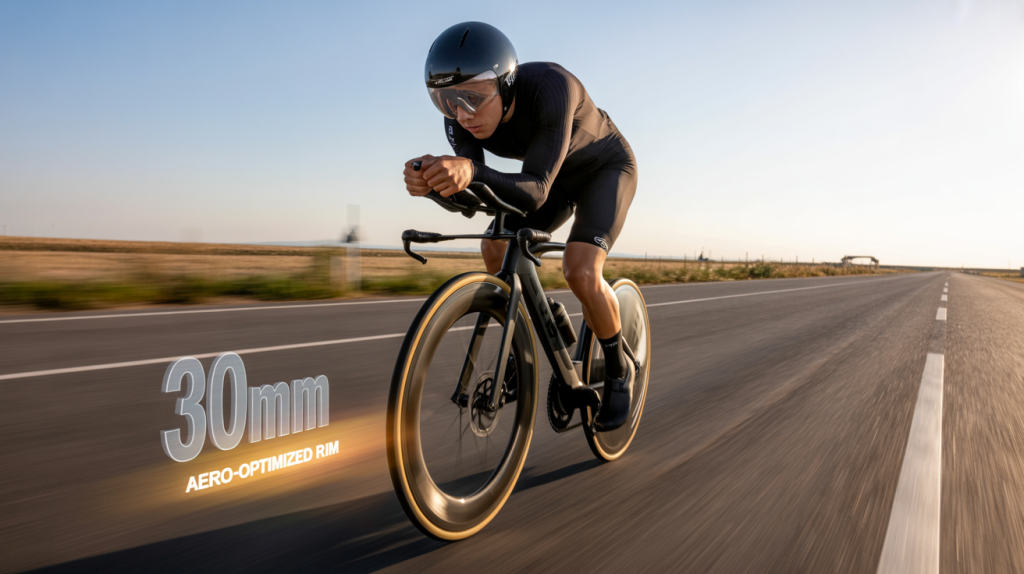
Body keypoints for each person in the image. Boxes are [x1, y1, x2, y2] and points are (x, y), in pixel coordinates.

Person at [402, 22, 638, 431]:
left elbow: (533, 193)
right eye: (445, 101)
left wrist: (472, 169)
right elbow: (474, 205)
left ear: (506, 82)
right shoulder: (459, 117)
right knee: (494, 246)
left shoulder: (551, 87)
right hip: (551, 178)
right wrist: (437, 187)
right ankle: (547, 322)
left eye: (473, 98)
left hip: (604, 169)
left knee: (580, 269)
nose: (461, 114)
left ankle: (620, 371)